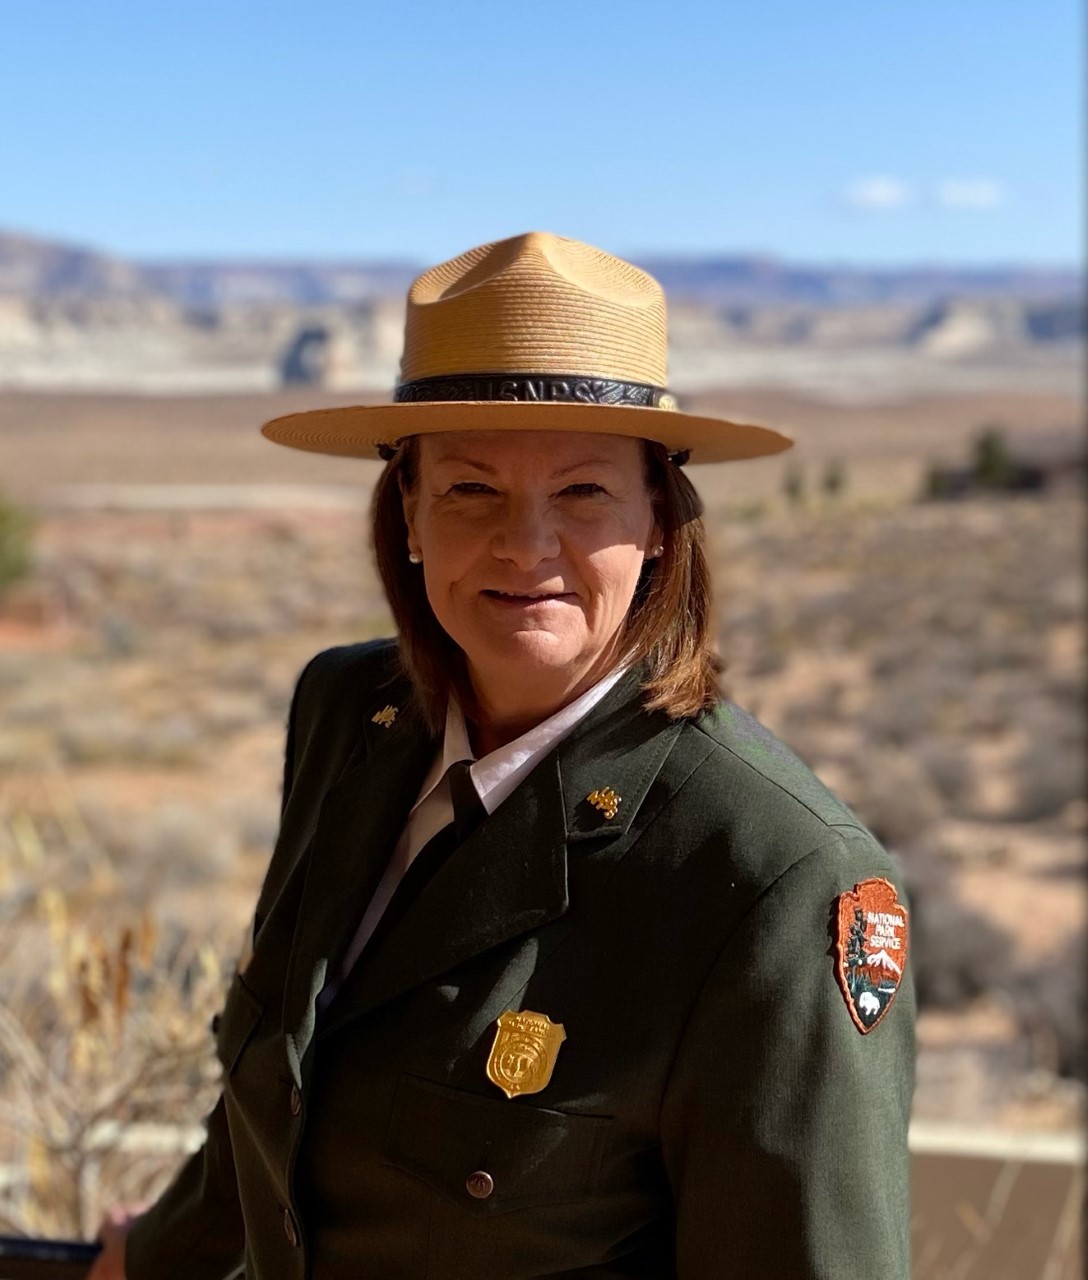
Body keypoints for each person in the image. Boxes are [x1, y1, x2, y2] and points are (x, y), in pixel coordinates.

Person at [90, 231, 915, 1279]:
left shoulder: (775, 879)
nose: (525, 545)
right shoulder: (348, 714)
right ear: (410, 514)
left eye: (581, 493)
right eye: (471, 489)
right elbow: (280, 1101)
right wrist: (146, 1260)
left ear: (659, 518)